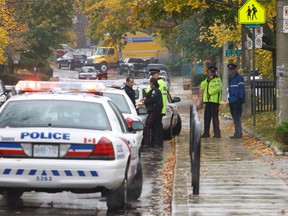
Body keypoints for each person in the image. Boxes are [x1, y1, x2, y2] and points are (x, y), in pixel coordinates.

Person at [146, 68, 168, 147]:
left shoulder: (159, 83)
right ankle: (158, 143)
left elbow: (150, 92)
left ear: (157, 74)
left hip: (157, 108)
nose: (152, 76)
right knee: (158, 126)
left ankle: (156, 143)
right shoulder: (163, 83)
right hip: (161, 108)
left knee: (155, 126)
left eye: (153, 75)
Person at [200, 66, 222, 138]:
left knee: (215, 117)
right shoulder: (207, 80)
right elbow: (202, 85)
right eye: (210, 72)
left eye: (213, 72)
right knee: (206, 117)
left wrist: (210, 93)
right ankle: (206, 133)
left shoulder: (217, 79)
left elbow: (218, 88)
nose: (211, 73)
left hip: (214, 101)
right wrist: (207, 80)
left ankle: (217, 133)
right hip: (207, 101)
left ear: (215, 72)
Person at [143, 78, 163, 148]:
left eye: (150, 83)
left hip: (154, 111)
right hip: (156, 111)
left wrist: (146, 101)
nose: (150, 84)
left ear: (152, 83)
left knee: (147, 125)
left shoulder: (155, 91)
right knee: (155, 126)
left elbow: (153, 99)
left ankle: (147, 143)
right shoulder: (154, 91)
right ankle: (156, 143)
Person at [227, 63, 245, 139]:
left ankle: (238, 133)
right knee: (235, 117)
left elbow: (241, 88)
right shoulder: (230, 78)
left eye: (231, 70)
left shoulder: (239, 78)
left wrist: (240, 99)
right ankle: (237, 133)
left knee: (237, 117)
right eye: (229, 70)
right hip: (232, 100)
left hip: (237, 101)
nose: (230, 71)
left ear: (235, 70)